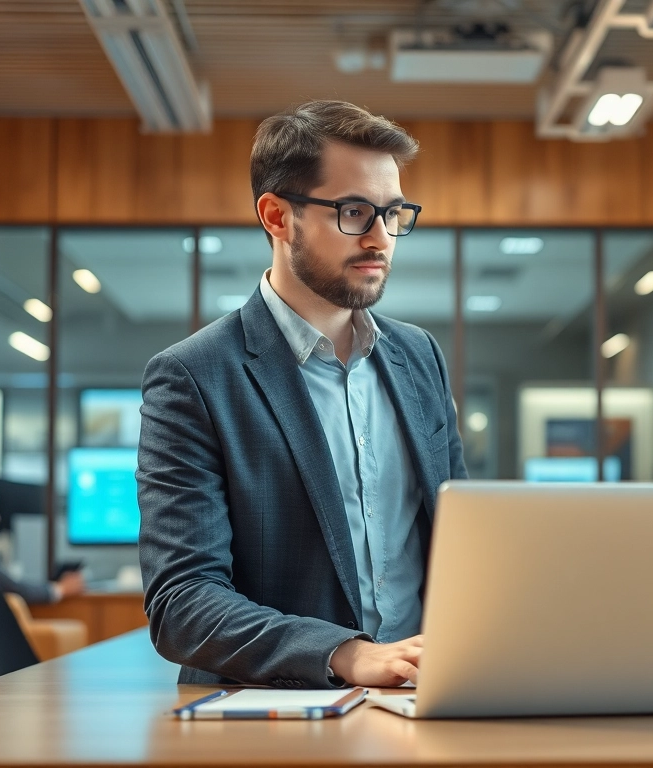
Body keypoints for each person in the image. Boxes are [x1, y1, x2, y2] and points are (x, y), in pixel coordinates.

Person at [137, 100, 467, 691]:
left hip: (427, 698)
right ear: (276, 216)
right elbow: (182, 603)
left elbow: (464, 541)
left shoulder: (419, 358)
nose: (380, 238)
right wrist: (346, 654)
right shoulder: (193, 377)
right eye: (354, 211)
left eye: (393, 214)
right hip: (278, 711)